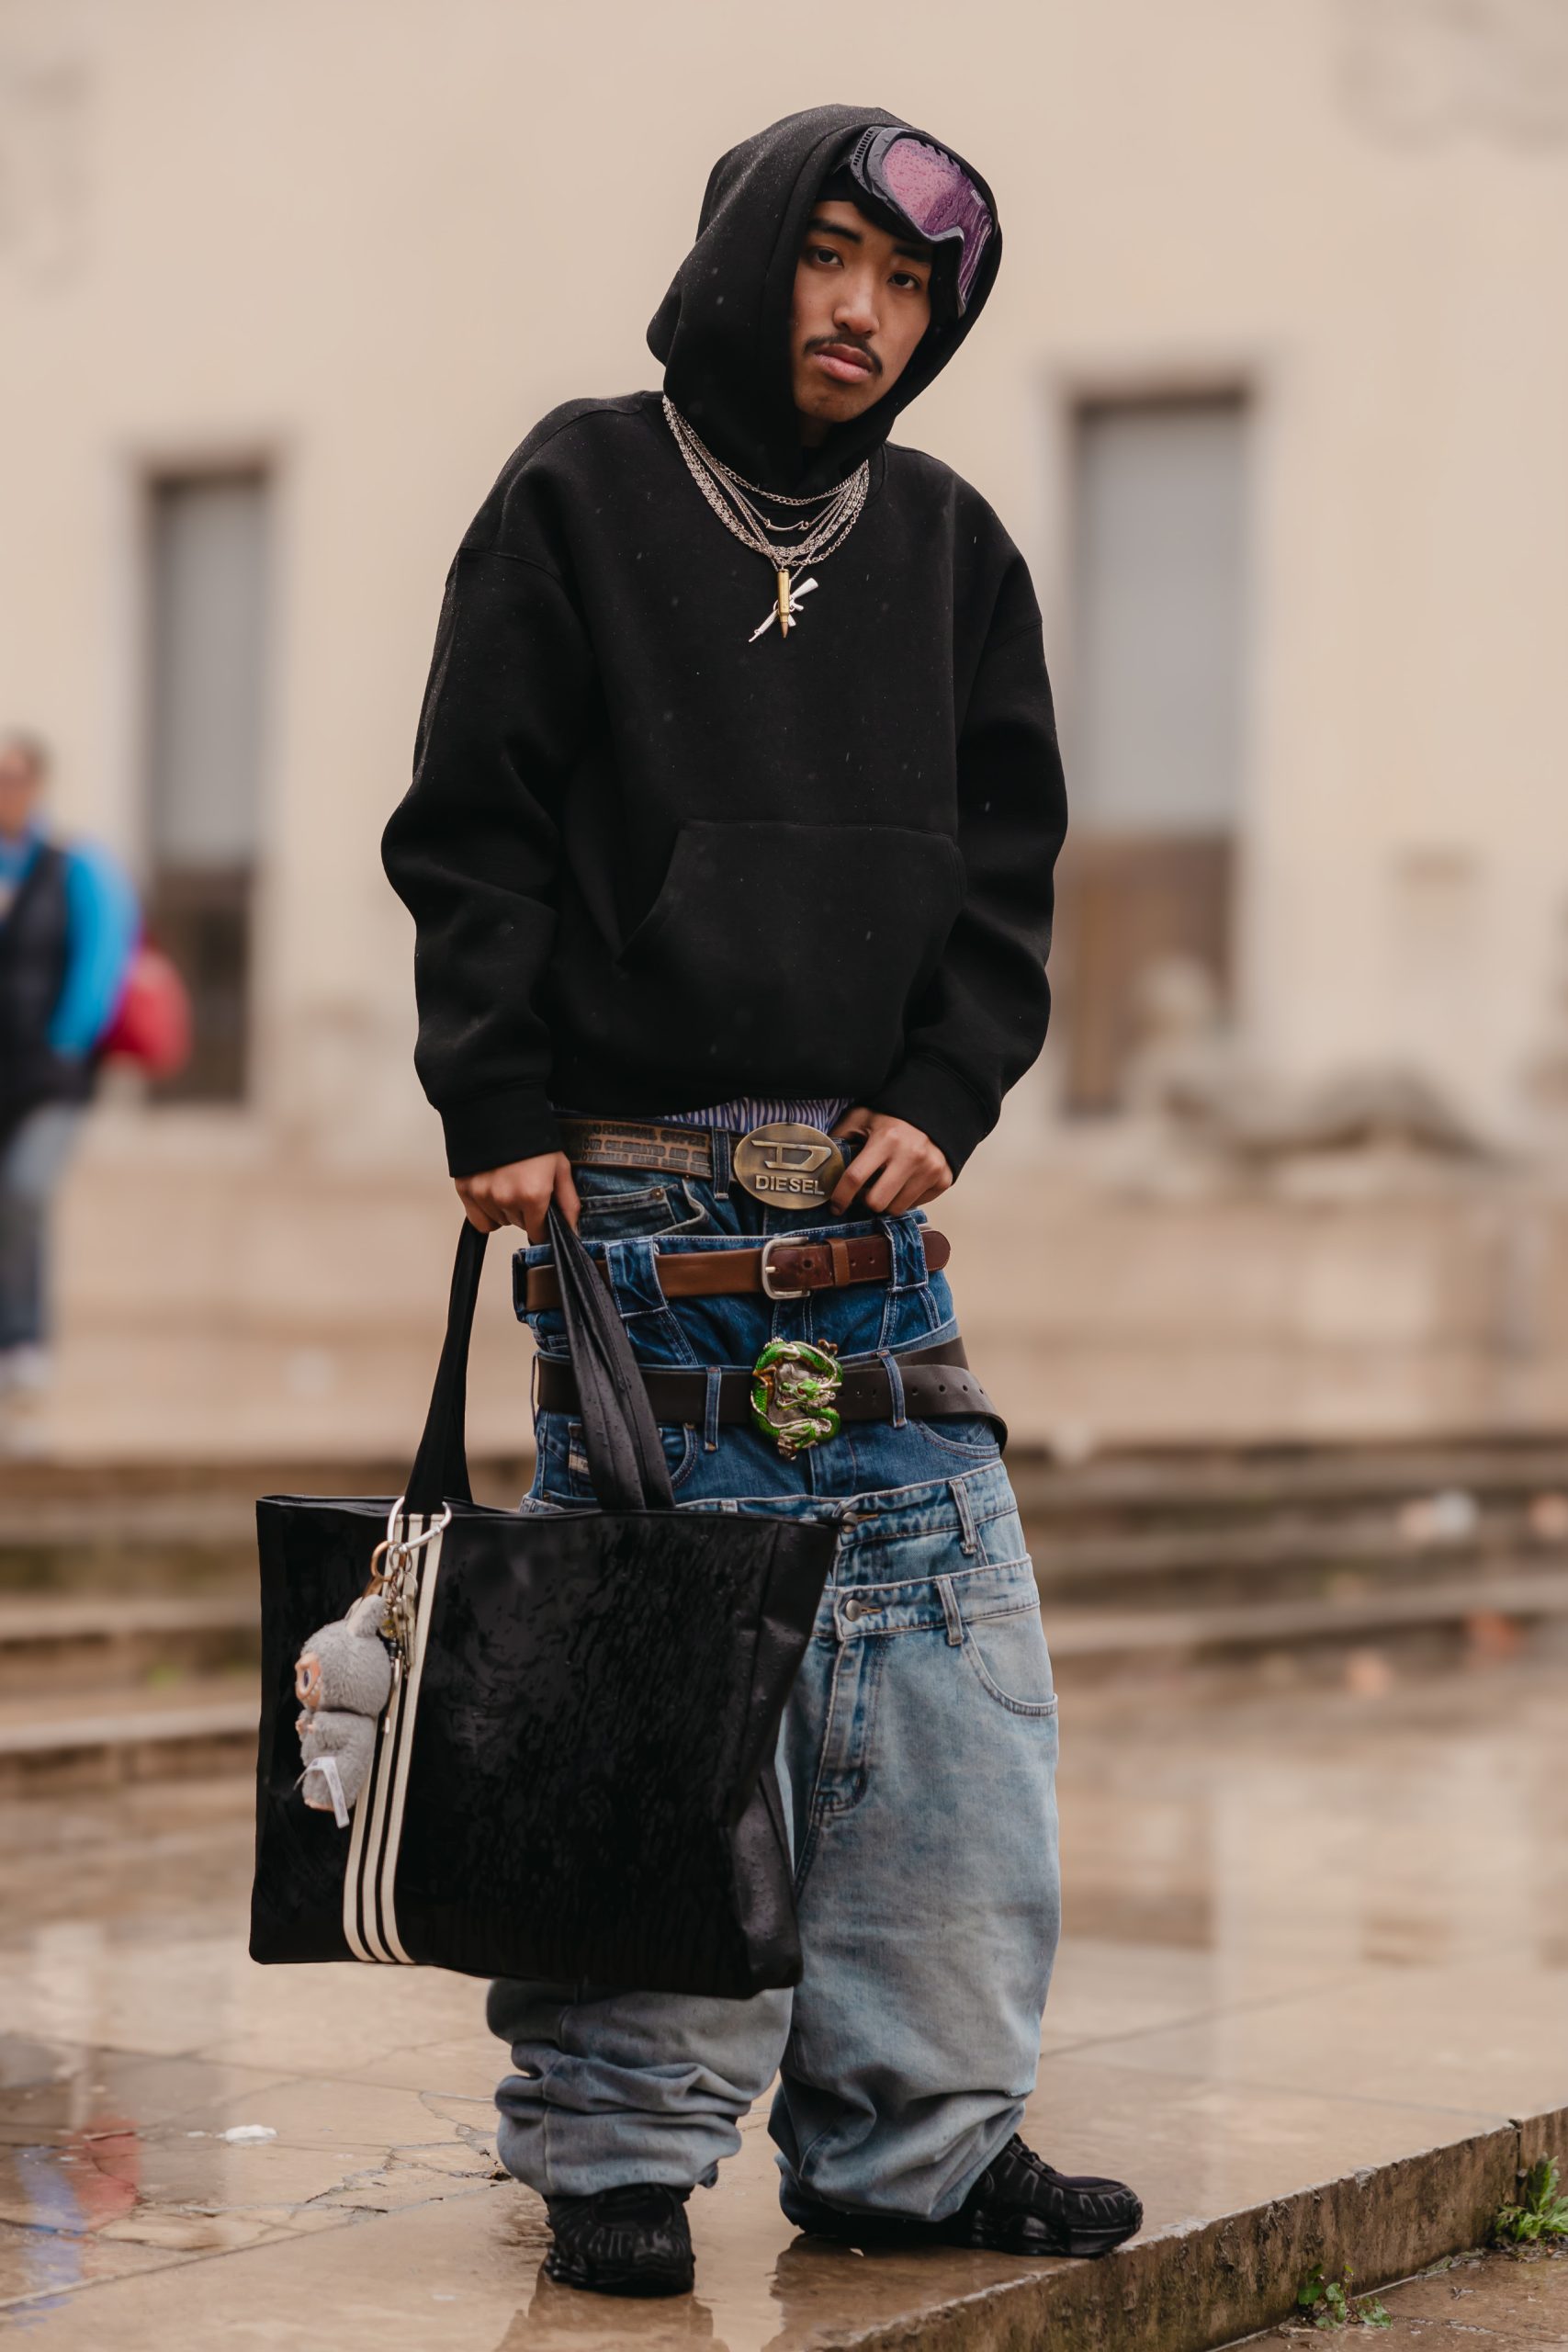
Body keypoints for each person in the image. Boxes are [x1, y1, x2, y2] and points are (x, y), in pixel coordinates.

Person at [383, 104, 1142, 2300]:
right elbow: (473, 817)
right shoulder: (577, 490)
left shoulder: (951, 546)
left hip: (866, 1224)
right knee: (645, 1691)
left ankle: (915, 2144)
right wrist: (493, 1085)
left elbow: (1009, 864)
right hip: (629, 1219)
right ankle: (618, 2147)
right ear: (746, 254)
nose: (861, 312)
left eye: (906, 285)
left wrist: (947, 1089)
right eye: (828, 256)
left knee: (941, 1694)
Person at [0, 732, 138, 1442]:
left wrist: (66, 1041)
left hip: (52, 1077)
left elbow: (103, 958)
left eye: (14, 777)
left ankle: (24, 1343)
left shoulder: (75, 868)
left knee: (24, 1191)